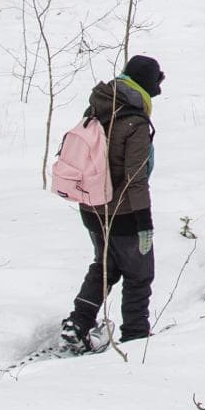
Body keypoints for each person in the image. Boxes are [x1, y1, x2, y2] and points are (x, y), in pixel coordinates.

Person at [62, 54, 163, 352]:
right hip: (125, 213)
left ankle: (78, 321)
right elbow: (136, 179)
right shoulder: (135, 122)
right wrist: (145, 222)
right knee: (139, 274)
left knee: (105, 265)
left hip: (90, 206)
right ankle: (135, 337)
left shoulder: (97, 107)